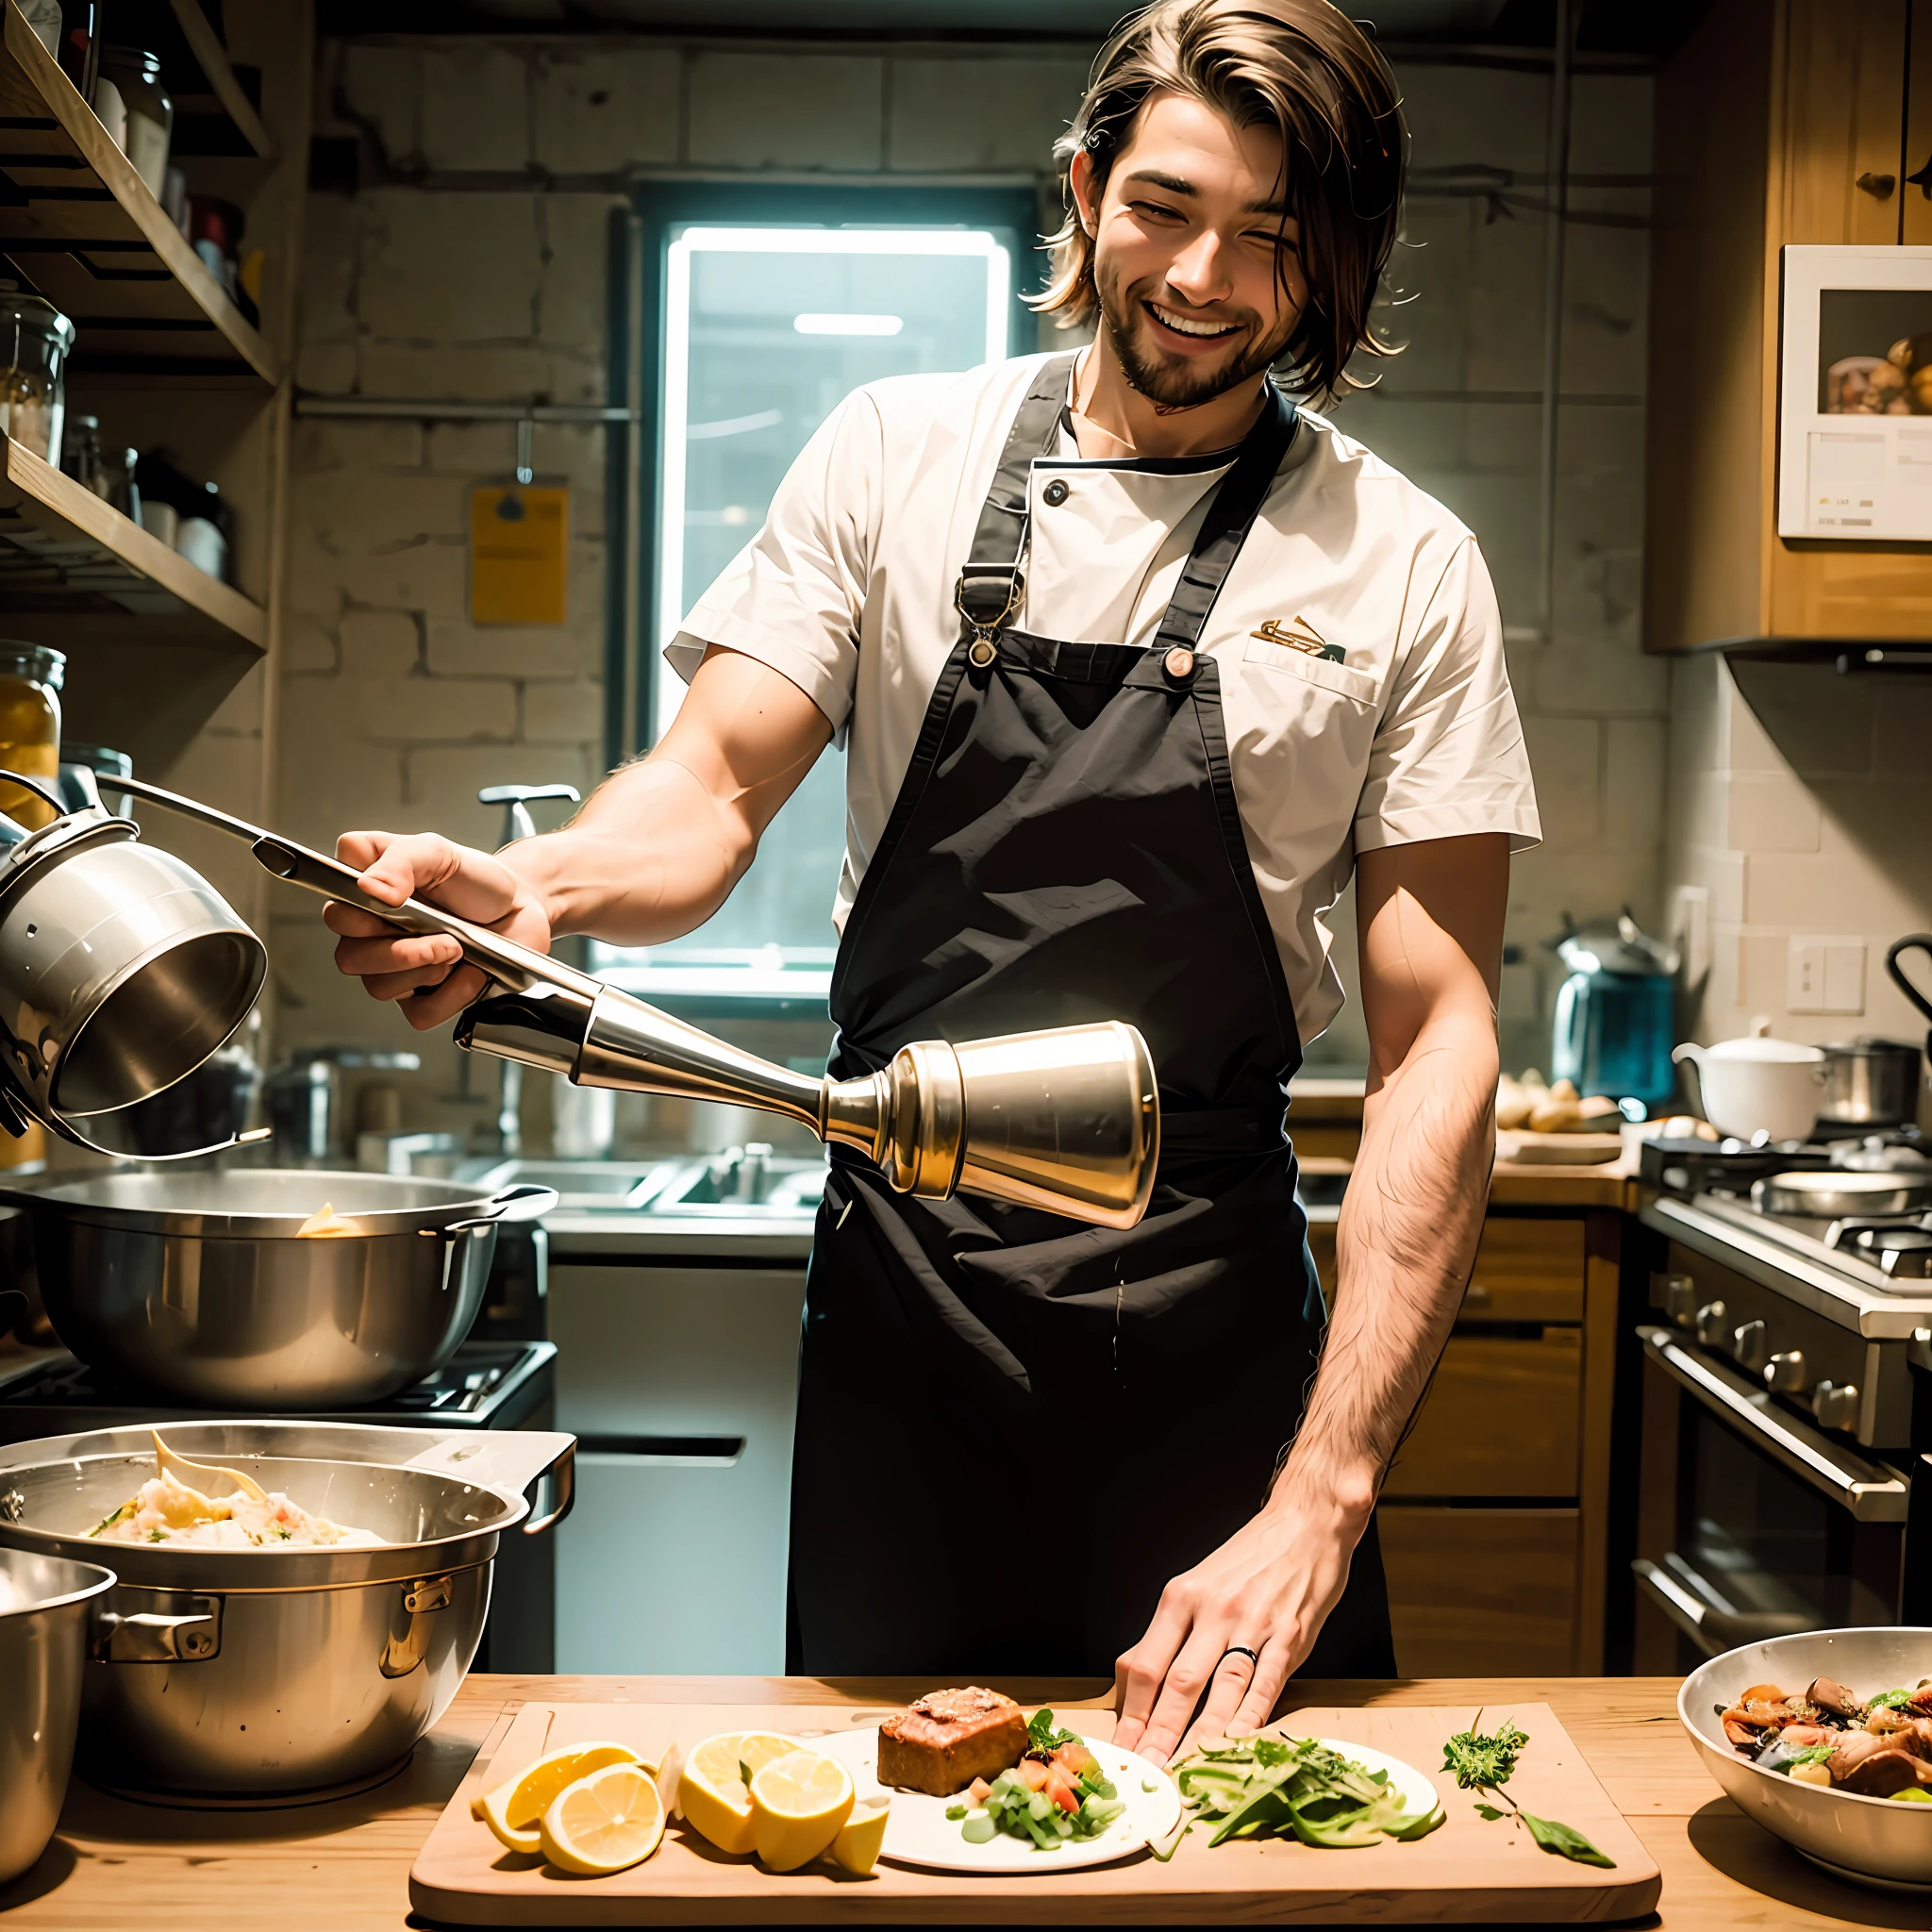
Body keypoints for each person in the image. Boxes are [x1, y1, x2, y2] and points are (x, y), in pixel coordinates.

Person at [325, 0, 1539, 1767]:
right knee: (883, 1838)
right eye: (1166, 207)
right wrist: (535, 884)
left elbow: (1441, 1045)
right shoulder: (895, 450)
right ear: (1085, 188)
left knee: (1255, 1858)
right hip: (912, 1325)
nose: (1205, 276)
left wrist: (1324, 1498)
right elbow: (712, 784)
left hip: (1212, 1343)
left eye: (1275, 239)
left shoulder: (1406, 562)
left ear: (1338, 265)